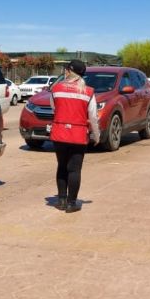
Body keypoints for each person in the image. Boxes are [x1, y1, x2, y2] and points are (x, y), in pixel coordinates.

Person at [49, 59, 100, 213]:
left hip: (59, 134)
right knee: (74, 170)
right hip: (78, 136)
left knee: (62, 166)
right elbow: (93, 117)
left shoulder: (56, 88)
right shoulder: (88, 92)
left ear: (70, 71)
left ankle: (61, 201)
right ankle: (72, 204)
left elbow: (54, 108)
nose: (64, 71)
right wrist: (96, 135)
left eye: (66, 69)